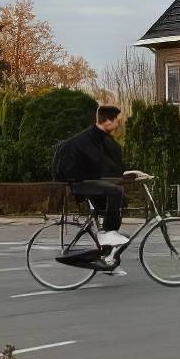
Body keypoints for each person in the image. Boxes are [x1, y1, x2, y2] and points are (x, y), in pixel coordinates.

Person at [53, 105, 132, 266]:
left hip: (87, 181)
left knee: (120, 200)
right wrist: (121, 177)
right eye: (117, 121)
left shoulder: (100, 138)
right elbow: (103, 165)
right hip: (78, 182)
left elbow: (111, 164)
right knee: (115, 191)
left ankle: (108, 259)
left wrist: (128, 175)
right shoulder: (88, 139)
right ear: (106, 121)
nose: (118, 125)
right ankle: (107, 235)